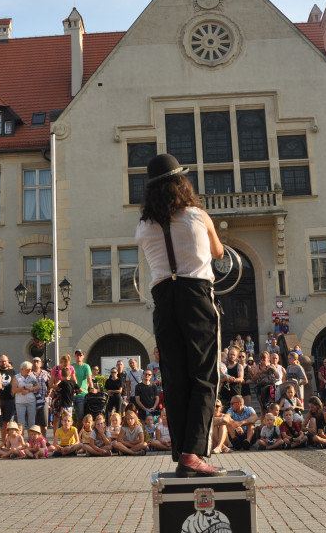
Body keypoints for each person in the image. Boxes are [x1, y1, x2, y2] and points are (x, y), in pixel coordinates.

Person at [135, 154, 226, 478]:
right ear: (181, 183)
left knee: (174, 379)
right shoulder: (197, 216)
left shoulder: (143, 226)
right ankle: (193, 453)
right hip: (196, 295)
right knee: (204, 375)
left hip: (163, 299)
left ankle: (182, 452)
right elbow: (218, 253)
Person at [71, 349, 93, 421]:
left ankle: (79, 431)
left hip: (82, 395)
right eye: (77, 355)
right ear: (75, 356)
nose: (79, 357)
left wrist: (91, 387)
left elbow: (89, 378)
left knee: (80, 416)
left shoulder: (86, 366)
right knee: (68, 415)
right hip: (72, 394)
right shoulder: (71, 366)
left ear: (83, 356)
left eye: (80, 355)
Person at [0, 355, 16, 425]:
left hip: (9, 400)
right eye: (1, 361)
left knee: (7, 422)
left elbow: (15, 385)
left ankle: (5, 436)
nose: (3, 363)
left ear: (8, 361)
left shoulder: (13, 372)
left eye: (5, 361)